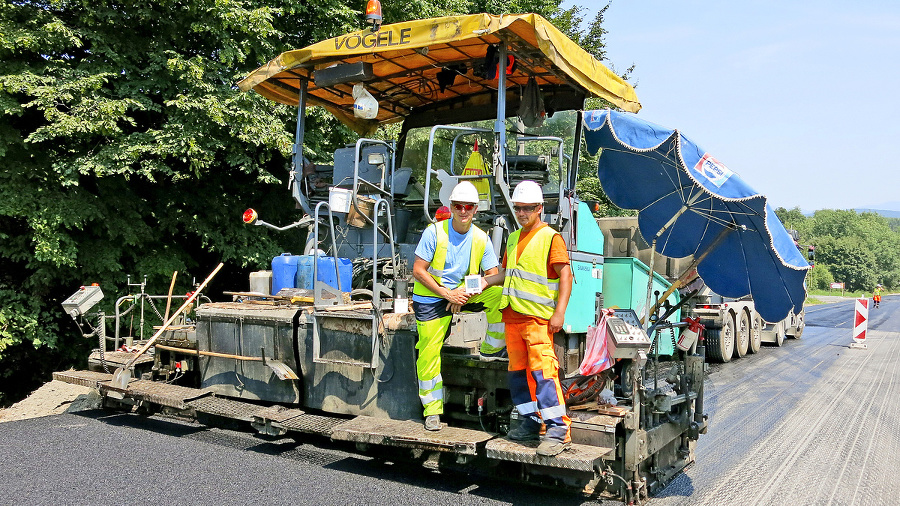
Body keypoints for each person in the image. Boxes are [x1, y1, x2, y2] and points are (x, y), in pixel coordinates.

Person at [483, 180, 573, 457]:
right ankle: (530, 420)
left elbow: (565, 275)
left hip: (536, 320)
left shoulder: (550, 238)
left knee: (543, 373)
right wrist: (482, 283)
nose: (522, 213)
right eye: (518, 208)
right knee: (518, 375)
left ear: (540, 209)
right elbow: (507, 274)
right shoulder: (513, 238)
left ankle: (558, 429)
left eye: (528, 208)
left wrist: (559, 313)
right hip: (513, 317)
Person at [412, 181, 506, 431]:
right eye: (458, 206)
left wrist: (464, 293)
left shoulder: (480, 239)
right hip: (432, 297)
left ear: (475, 209)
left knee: (499, 296)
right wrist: (447, 294)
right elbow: (418, 271)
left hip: (462, 295)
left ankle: (490, 349)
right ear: (450, 207)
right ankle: (432, 411)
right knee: (429, 352)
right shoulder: (434, 232)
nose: (463, 211)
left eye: (468, 206)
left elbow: (494, 275)